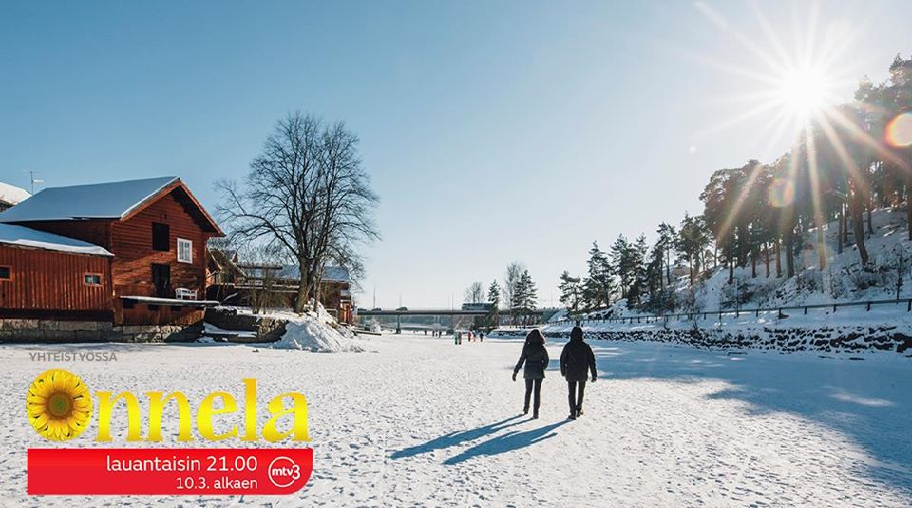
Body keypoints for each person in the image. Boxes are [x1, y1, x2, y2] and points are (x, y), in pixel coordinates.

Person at [560, 326, 597, 420]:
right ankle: (579, 408)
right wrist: (594, 374)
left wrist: (563, 371)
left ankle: (572, 412)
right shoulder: (586, 346)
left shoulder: (568, 346)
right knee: (581, 392)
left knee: (571, 392)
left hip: (571, 372)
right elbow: (591, 361)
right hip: (582, 372)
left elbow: (562, 359)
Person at [512, 329, 549, 419]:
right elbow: (546, 360)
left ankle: (526, 408)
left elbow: (521, 360)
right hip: (538, 371)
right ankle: (536, 412)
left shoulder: (527, 347)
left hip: (528, 370)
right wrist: (542, 367)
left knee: (528, 390)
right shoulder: (541, 347)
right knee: (537, 392)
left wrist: (516, 371)